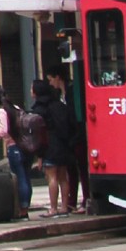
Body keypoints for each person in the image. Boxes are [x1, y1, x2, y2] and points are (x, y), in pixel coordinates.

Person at [46, 68, 89, 212]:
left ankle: (86, 199)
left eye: (51, 79)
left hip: (77, 135)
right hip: (68, 137)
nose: (50, 83)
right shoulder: (60, 96)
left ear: (58, 77)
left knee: (81, 168)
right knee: (70, 171)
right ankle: (71, 201)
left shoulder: (71, 92)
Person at [31, 77, 71, 216]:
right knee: (63, 177)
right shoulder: (59, 105)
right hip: (63, 144)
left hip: (49, 146)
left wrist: (40, 155)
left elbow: (38, 133)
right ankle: (65, 206)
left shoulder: (39, 109)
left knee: (51, 177)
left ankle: (53, 208)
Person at [0, 85, 31, 216]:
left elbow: (4, 130)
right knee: (26, 178)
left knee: (19, 178)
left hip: (14, 147)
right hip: (25, 147)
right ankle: (26, 207)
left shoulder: (2, 111)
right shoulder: (17, 108)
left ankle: (22, 209)